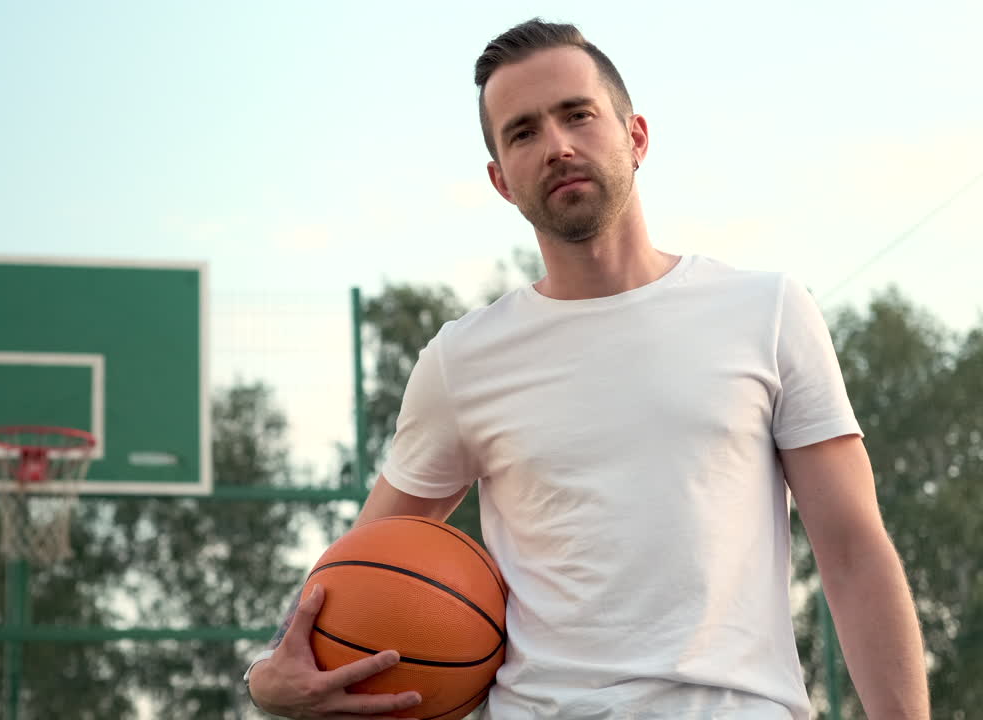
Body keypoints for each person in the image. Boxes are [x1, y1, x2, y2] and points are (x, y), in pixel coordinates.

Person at [245, 18, 929, 720]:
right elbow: (361, 563)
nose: (557, 146)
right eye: (523, 133)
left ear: (635, 136)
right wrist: (271, 668)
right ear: (501, 181)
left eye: (578, 116)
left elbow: (850, 550)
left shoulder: (767, 310)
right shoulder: (464, 359)